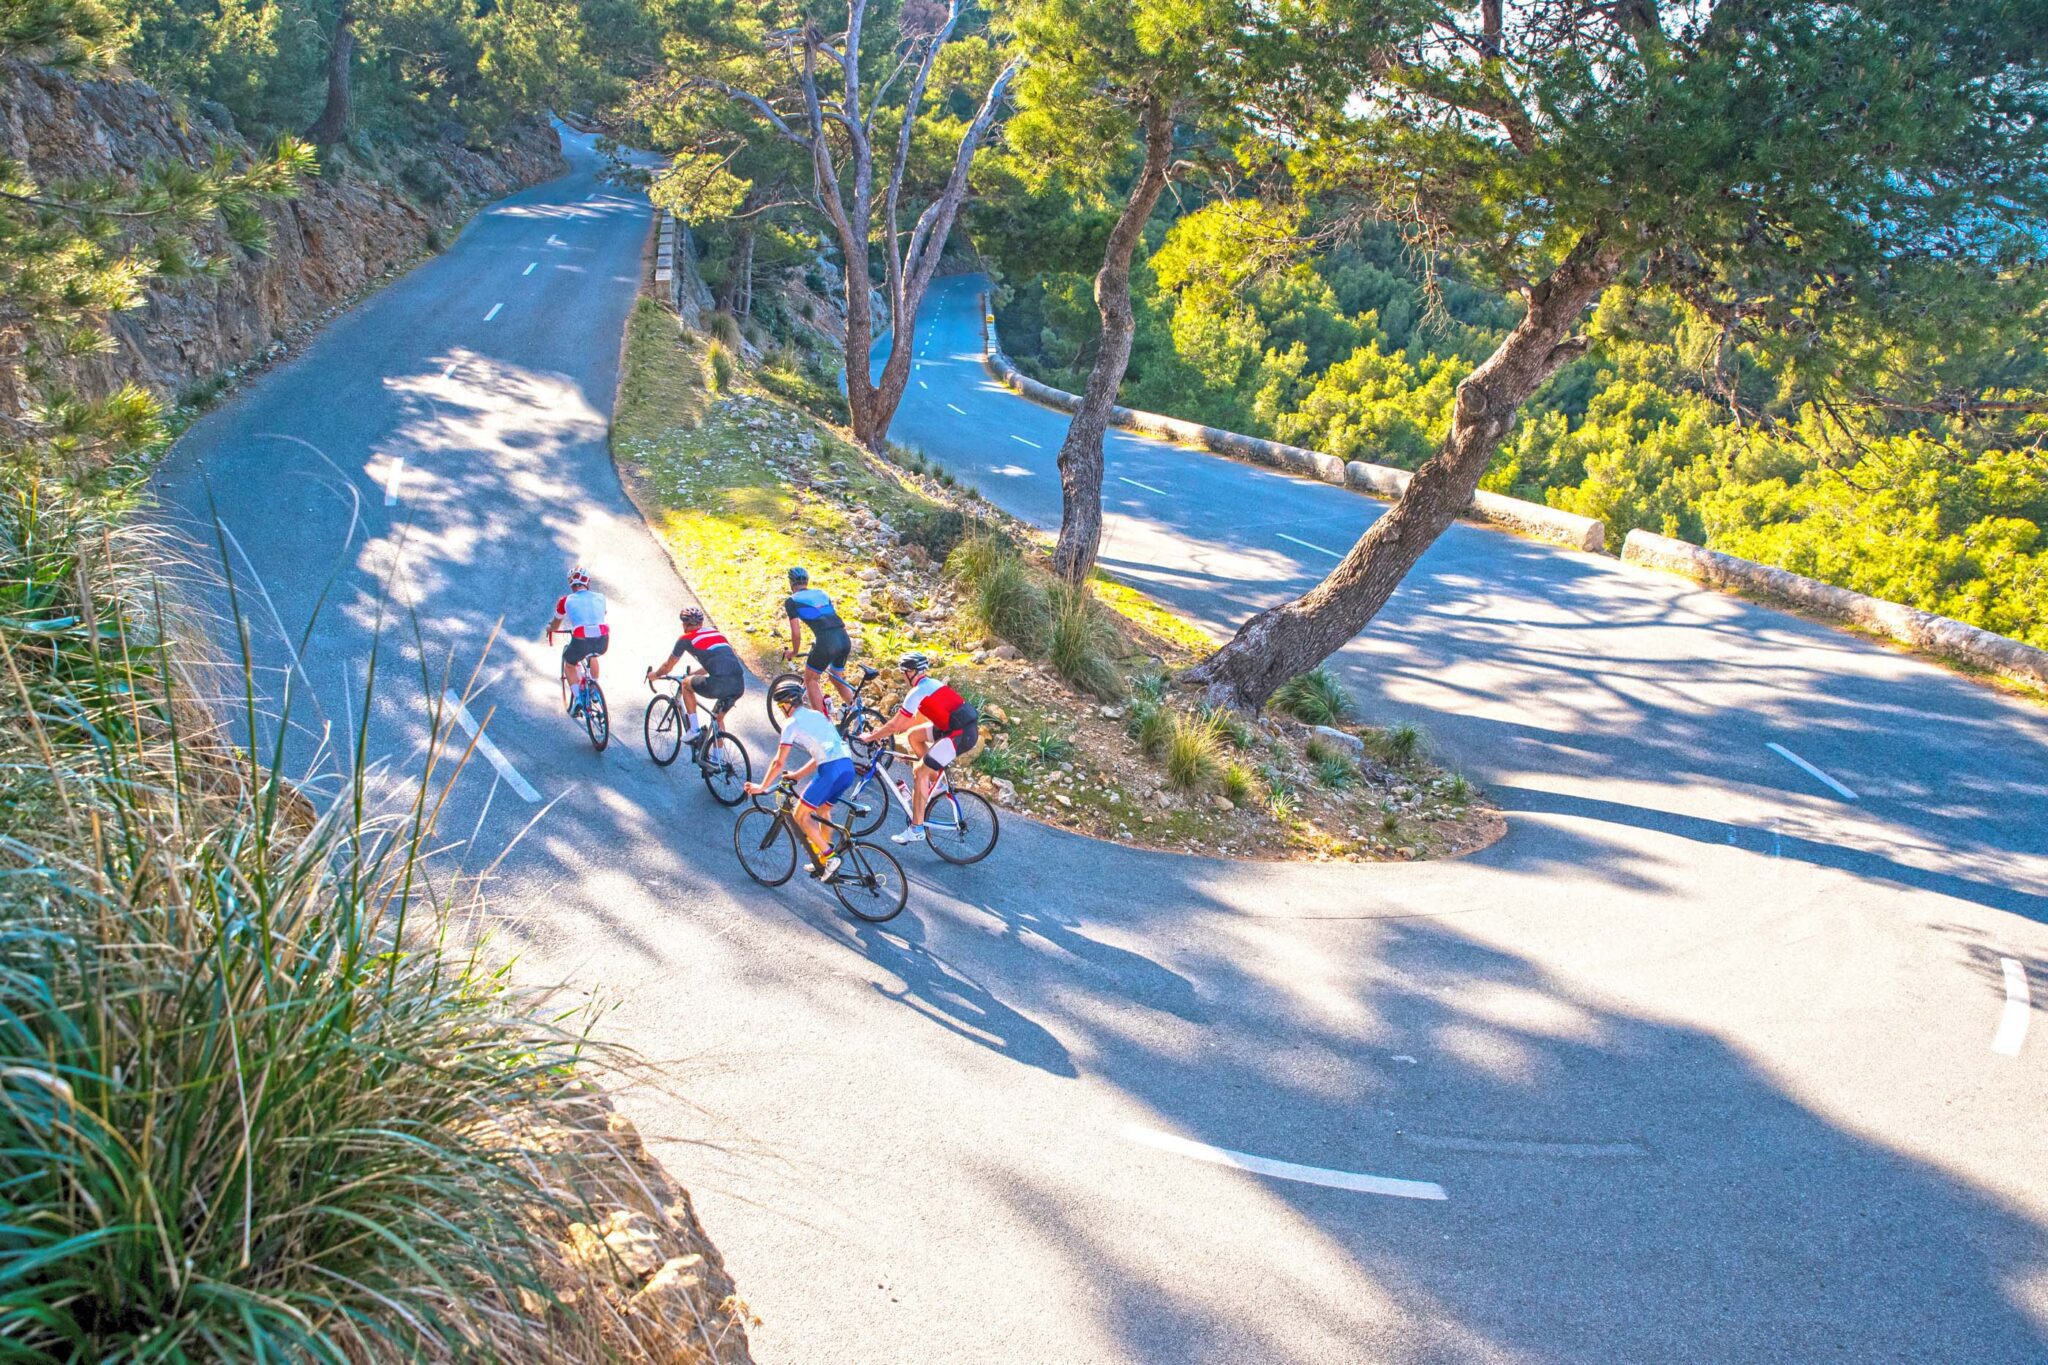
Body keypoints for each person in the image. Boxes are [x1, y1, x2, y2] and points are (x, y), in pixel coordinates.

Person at [860, 652, 978, 846]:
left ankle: (916, 829)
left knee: (919, 771)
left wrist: (871, 737)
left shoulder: (916, 692)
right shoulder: (931, 684)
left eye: (903, 672)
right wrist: (889, 731)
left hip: (959, 734)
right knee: (914, 736)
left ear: (911, 672)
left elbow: (894, 725)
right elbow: (911, 722)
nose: (903, 677)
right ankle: (935, 782)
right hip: (957, 727)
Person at [746, 680, 857, 881]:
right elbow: (821, 754)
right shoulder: (817, 715)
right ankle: (824, 859)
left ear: (787, 704)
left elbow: (779, 762)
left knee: (800, 815)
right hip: (847, 767)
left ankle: (829, 857)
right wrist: (797, 775)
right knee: (823, 809)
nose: (781, 711)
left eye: (781, 707)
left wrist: (761, 787)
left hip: (830, 769)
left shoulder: (791, 724)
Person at [647, 606, 745, 747]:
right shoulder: (716, 633)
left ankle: (694, 730)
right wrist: (693, 675)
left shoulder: (685, 638)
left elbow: (668, 666)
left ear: (685, 624)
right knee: (717, 719)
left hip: (718, 684)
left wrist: (655, 675)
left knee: (686, 684)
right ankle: (718, 761)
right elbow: (715, 663)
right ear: (701, 623)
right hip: (738, 684)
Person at [782, 566, 855, 716]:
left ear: (791, 583)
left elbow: (796, 632)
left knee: (811, 680)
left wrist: (794, 651)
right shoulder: (822, 594)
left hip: (826, 641)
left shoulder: (792, 601)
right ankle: (858, 713)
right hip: (843, 638)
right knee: (836, 676)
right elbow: (827, 619)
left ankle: (824, 725)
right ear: (807, 582)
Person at [545, 567, 609, 712]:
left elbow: (555, 624)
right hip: (602, 638)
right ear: (587, 582)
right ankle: (593, 690)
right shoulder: (601, 597)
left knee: (569, 664)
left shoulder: (565, 601)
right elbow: (600, 614)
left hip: (581, 638)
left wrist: (550, 628)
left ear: (571, 584)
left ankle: (578, 699)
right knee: (593, 656)